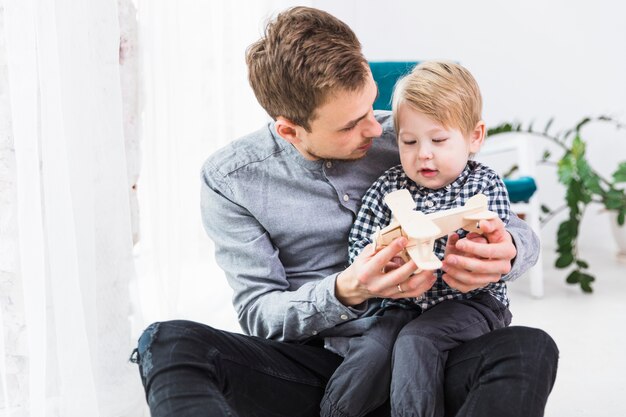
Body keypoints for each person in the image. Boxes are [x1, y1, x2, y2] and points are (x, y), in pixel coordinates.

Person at [131, 6, 558, 417]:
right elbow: (260, 314)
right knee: (168, 342)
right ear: (289, 129)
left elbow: (502, 217)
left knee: (529, 347)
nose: (377, 128)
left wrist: (511, 251)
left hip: (430, 357)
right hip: (323, 369)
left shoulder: (413, 136)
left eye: (372, 106)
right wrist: (347, 290)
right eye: (351, 124)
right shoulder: (231, 180)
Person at [321, 61, 515, 417]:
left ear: (475, 136)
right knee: (373, 349)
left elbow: (498, 244)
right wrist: (385, 260)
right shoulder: (388, 187)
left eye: (439, 140)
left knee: (417, 340)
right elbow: (361, 248)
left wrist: (476, 249)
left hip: (473, 303)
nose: (423, 153)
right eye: (409, 141)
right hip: (400, 304)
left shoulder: (483, 185)